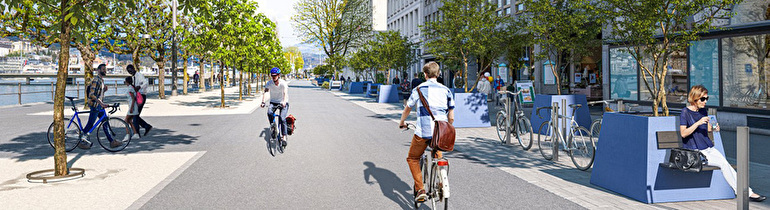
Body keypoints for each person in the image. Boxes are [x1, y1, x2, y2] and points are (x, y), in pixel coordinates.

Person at [680, 85, 766, 202]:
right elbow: (683, 133)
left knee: (726, 165)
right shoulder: (685, 112)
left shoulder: (703, 111)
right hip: (696, 151)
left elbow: (707, 129)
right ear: (694, 98)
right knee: (724, 165)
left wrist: (713, 128)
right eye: (702, 99)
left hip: (708, 147)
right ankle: (746, 192)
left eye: (706, 98)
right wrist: (698, 123)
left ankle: (746, 191)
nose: (705, 101)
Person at [398, 61, 455, 203]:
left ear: (425, 75)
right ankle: (441, 181)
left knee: (413, 158)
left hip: (423, 131)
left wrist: (402, 122)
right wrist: (447, 127)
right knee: (437, 154)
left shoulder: (419, 89)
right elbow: (451, 117)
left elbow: (408, 108)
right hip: (440, 133)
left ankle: (421, 189)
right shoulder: (446, 90)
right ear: (438, 74)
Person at [80, 64, 123, 149]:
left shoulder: (101, 81)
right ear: (98, 70)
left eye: (105, 69)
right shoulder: (96, 80)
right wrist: (101, 103)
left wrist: (104, 91)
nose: (105, 71)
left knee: (105, 122)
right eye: (103, 69)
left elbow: (98, 94)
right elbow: (92, 94)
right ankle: (81, 140)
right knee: (91, 124)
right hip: (95, 106)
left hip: (99, 106)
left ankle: (112, 142)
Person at [260, 67, 290, 147]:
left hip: (283, 102)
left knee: (282, 118)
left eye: (275, 75)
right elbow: (265, 93)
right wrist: (263, 102)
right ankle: (273, 127)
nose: (273, 77)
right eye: (272, 75)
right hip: (273, 102)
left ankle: (284, 137)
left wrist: (284, 101)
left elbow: (285, 93)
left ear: (278, 75)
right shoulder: (269, 83)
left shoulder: (283, 83)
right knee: (269, 112)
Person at [127, 64, 153, 137]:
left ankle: (137, 133)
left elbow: (145, 83)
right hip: (137, 96)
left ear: (133, 68)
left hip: (141, 96)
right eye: (128, 71)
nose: (130, 72)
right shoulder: (133, 77)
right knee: (136, 115)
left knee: (135, 115)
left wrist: (139, 87)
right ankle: (146, 126)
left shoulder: (139, 75)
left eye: (130, 70)